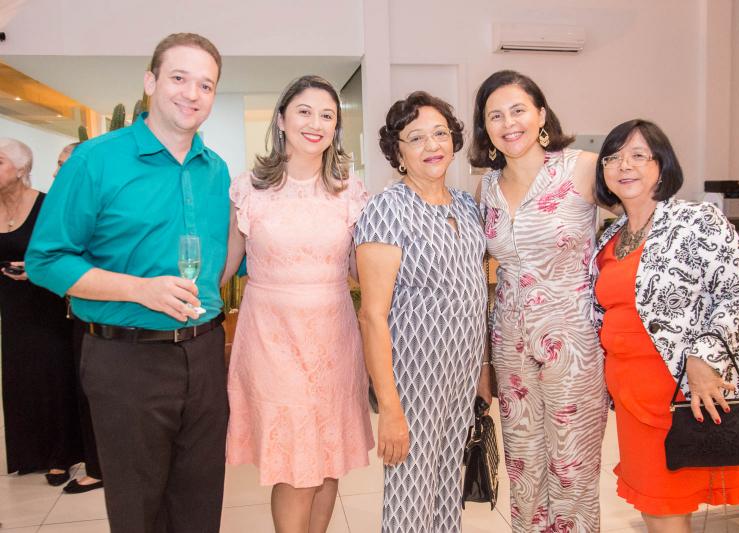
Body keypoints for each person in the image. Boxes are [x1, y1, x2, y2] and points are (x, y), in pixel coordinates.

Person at [26, 33, 230, 533]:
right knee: (138, 509)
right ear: (150, 82)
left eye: (205, 85)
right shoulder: (94, 160)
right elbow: (46, 260)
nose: (192, 93)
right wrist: (140, 289)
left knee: (201, 503)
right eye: (179, 78)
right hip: (126, 359)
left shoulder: (216, 171)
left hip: (205, 354)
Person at [591, 119, 739, 533]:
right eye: (613, 158)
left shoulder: (696, 220)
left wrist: (705, 359)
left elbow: (736, 293)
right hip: (629, 396)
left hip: (680, 391)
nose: (624, 166)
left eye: (638, 155)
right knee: (655, 508)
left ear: (661, 165)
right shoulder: (610, 236)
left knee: (666, 510)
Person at [223, 75, 374, 533]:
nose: (316, 123)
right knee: (295, 464)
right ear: (281, 120)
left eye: (327, 115)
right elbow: (225, 267)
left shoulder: (351, 191)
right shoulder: (248, 188)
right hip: (272, 341)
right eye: (304, 111)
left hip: (334, 339)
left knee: (328, 457)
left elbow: (359, 270)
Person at [469, 69, 608, 531]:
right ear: (485, 127)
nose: (508, 123)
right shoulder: (486, 188)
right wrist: (481, 362)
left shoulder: (582, 168)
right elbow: (481, 276)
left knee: (572, 468)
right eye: (495, 115)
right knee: (524, 469)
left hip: (574, 342)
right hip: (510, 343)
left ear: (541, 114)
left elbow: (641, 217)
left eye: (518, 110)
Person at [355, 91, 487, 532]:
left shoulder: (466, 206)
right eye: (416, 138)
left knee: (447, 494)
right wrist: (390, 408)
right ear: (398, 153)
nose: (432, 145)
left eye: (440, 134)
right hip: (414, 381)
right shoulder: (387, 209)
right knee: (410, 501)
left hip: (461, 378)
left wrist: (482, 373)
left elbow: (474, 295)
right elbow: (372, 316)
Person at [0, 138, 82, 484]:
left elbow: (68, 254)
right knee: (19, 377)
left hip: (48, 303)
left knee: (54, 376)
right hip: (12, 306)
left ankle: (61, 455)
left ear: (22, 169)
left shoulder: (47, 206)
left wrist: (35, 271)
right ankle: (29, 453)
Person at [52, 141, 105, 494]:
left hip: (99, 313)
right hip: (70, 309)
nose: (60, 171)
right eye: (58, 164)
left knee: (91, 392)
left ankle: (98, 465)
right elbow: (49, 257)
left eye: (65, 163)